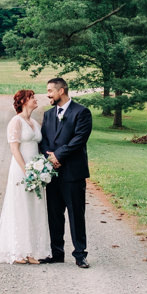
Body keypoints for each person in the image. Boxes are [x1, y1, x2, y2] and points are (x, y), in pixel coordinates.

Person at [0, 89, 51, 267]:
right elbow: (14, 149)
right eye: (32, 97)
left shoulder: (34, 122)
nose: (35, 99)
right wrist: (27, 171)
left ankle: (31, 251)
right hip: (21, 169)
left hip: (36, 170)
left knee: (34, 208)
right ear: (23, 101)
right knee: (21, 207)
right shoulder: (15, 122)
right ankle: (18, 251)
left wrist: (40, 168)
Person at [38, 77, 92, 269]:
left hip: (73, 173)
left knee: (76, 215)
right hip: (52, 174)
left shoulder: (82, 112)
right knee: (54, 215)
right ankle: (57, 253)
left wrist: (58, 156)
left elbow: (79, 139)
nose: (48, 94)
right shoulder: (49, 114)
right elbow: (43, 140)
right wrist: (49, 157)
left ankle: (80, 254)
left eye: (50, 90)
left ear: (62, 91)